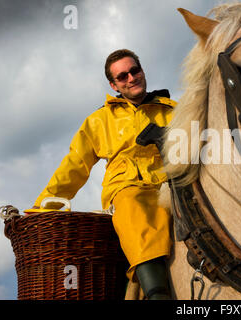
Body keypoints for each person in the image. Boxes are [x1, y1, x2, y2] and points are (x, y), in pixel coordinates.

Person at [31, 49, 176, 300]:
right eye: (122, 76)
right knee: (133, 206)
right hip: (128, 188)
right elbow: (75, 166)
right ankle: (157, 294)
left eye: (135, 71)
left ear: (142, 71)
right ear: (114, 85)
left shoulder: (173, 111)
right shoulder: (100, 120)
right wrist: (42, 206)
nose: (131, 78)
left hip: (174, 184)